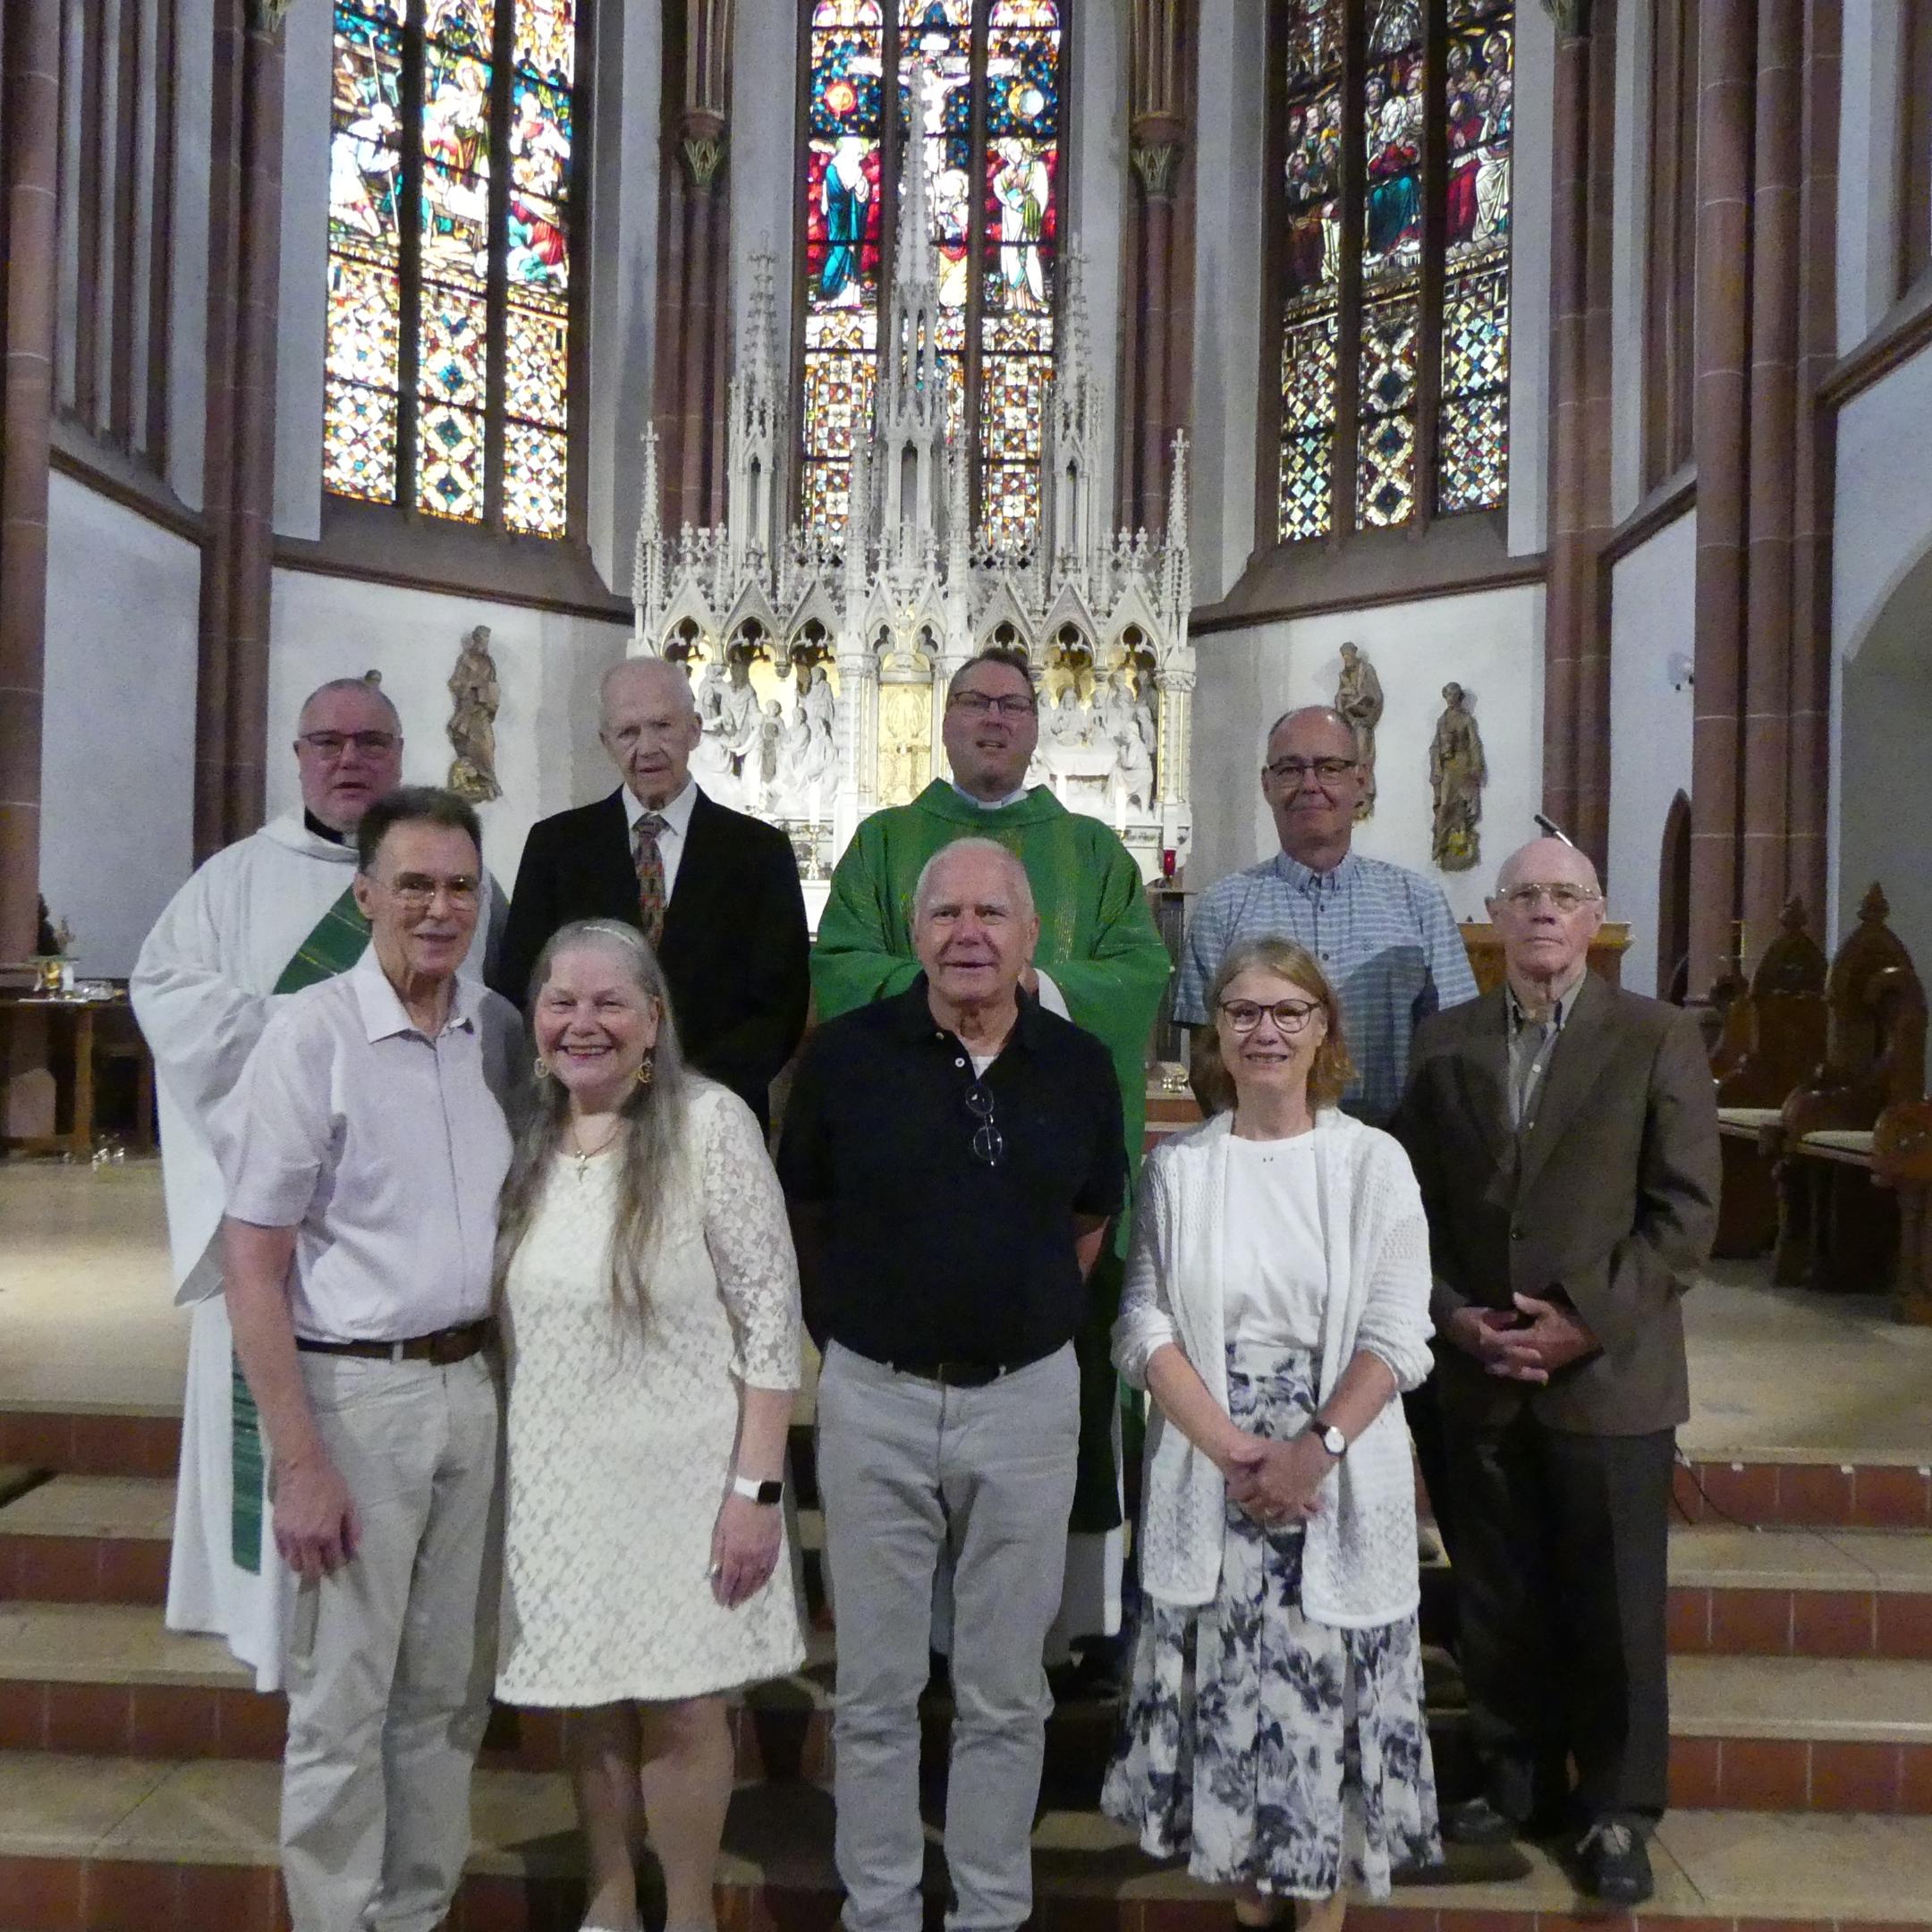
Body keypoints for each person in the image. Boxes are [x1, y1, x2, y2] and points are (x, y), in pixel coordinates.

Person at [779, 838, 1125, 1932]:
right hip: (875, 1398)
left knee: (1005, 1691)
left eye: (991, 914)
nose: (967, 934)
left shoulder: (1078, 1065)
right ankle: (877, 1911)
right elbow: (806, 1216)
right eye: (945, 914)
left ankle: (990, 1912)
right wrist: (865, 1332)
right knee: (876, 1689)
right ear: (914, 933)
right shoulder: (844, 1057)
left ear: (1030, 939)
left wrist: (1009, 1316)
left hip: (1024, 1403)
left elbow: (1089, 1220)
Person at [131, 678, 502, 1691]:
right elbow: (169, 1001)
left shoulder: (471, 882)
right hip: (284, 1235)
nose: (351, 760)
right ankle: (262, 1624)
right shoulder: (232, 881)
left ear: (400, 750)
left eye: (373, 742)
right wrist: (311, 1034)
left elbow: (493, 1032)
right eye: (329, 741)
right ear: (297, 755)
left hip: (411, 1265)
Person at [811, 645, 1171, 1660]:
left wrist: (1024, 997)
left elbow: (1139, 973)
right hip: (901, 1230)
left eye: (1013, 704)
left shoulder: (1094, 849)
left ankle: (1069, 1627)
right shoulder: (886, 843)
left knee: (1074, 1374)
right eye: (974, 701)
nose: (993, 720)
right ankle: (913, 1636)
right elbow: (839, 969)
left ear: (1037, 723)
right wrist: (961, 991)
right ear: (942, 717)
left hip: (1038, 1204)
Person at [214, 786, 521, 1931]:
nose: (439, 910)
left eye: (458, 888)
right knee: (344, 1704)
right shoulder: (311, 1039)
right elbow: (254, 1264)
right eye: (414, 886)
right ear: (365, 897)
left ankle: (414, 1914)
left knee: (447, 1697)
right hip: (357, 1396)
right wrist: (299, 1461)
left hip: (475, 1391)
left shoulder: (500, 1031)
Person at [1392, 838, 1720, 1905]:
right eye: (1524, 895)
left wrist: (1578, 1323)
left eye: (1563, 896)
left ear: (1595, 915)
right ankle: (1513, 1777)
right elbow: (1416, 1209)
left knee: (1615, 1604)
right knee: (1498, 1591)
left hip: (1608, 1375)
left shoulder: (1656, 1035)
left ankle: (1619, 1808)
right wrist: (1453, 1320)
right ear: (1493, 916)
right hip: (1479, 1367)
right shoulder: (1444, 1043)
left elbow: (1685, 1214)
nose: (1542, 912)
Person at [1104, 937, 1441, 1929]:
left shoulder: (1372, 1164)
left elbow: (1398, 1334)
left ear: (1323, 1028)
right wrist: (1227, 1447)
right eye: (1244, 1012)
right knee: (1236, 1748)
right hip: (1216, 1476)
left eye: (1288, 1012)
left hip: (1333, 1475)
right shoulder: (1183, 1169)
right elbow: (1144, 1323)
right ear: (1216, 1033)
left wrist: (1310, 1452)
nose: (1265, 1032)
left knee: (1318, 1742)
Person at [494, 919, 805, 1932]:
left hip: (686, 1475)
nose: (582, 1023)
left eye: (608, 1002)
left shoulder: (710, 1126)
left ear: (653, 1018)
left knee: (681, 1700)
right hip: (560, 1475)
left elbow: (770, 1316)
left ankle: (686, 1910)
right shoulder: (522, 1138)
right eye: (560, 1001)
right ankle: (611, 1896)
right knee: (588, 1698)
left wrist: (754, 1492)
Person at [492, 656, 809, 1131]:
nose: (648, 748)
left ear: (695, 730)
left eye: (662, 726)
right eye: (628, 732)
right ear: (606, 743)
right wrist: (585, 1082)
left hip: (713, 1116)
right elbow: (521, 984)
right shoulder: (556, 846)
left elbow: (780, 1006)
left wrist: (686, 1093)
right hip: (584, 1113)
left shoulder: (760, 852)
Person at [1174, 706, 1475, 1128]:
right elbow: (1206, 1061)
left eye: (1329, 768)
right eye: (1290, 769)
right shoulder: (1222, 908)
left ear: (1361, 779)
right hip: (1262, 1157)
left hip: (1395, 1149)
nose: (1310, 784)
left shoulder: (1418, 902)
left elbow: (1455, 1044)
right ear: (1267, 784)